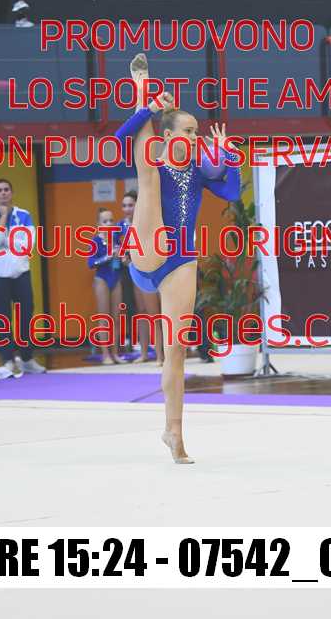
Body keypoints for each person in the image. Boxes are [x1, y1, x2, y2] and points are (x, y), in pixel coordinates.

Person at [128, 53, 241, 464]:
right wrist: (148, 109)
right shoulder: (155, 161)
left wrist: (228, 154)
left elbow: (231, 191)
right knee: (148, 174)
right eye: (189, 131)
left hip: (178, 259)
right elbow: (123, 137)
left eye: (197, 132)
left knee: (176, 347)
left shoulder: (197, 171)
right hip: (147, 246)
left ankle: (173, 431)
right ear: (169, 134)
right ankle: (141, 86)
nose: (196, 137)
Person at [0, 178, 46, 378]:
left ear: (12, 192)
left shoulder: (24, 215)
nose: (3, 193)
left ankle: (26, 359)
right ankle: (7, 361)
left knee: (26, 315)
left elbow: (28, 244)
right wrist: (4, 218)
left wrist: (6, 241)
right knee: (3, 318)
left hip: (20, 273)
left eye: (6, 189)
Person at [118, 190, 164, 365]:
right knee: (142, 312)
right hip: (133, 271)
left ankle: (162, 355)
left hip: (150, 269)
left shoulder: (147, 221)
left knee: (157, 314)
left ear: (138, 205)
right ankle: (144, 353)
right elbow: (115, 247)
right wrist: (123, 256)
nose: (127, 208)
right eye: (124, 205)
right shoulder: (121, 226)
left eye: (130, 205)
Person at [88, 207, 124, 365]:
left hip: (116, 277)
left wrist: (122, 256)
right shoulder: (95, 241)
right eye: (105, 221)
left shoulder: (116, 239)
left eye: (111, 220)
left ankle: (115, 353)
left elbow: (124, 260)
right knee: (104, 317)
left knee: (116, 318)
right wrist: (107, 257)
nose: (109, 223)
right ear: (98, 224)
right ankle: (105, 354)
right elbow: (91, 263)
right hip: (102, 278)